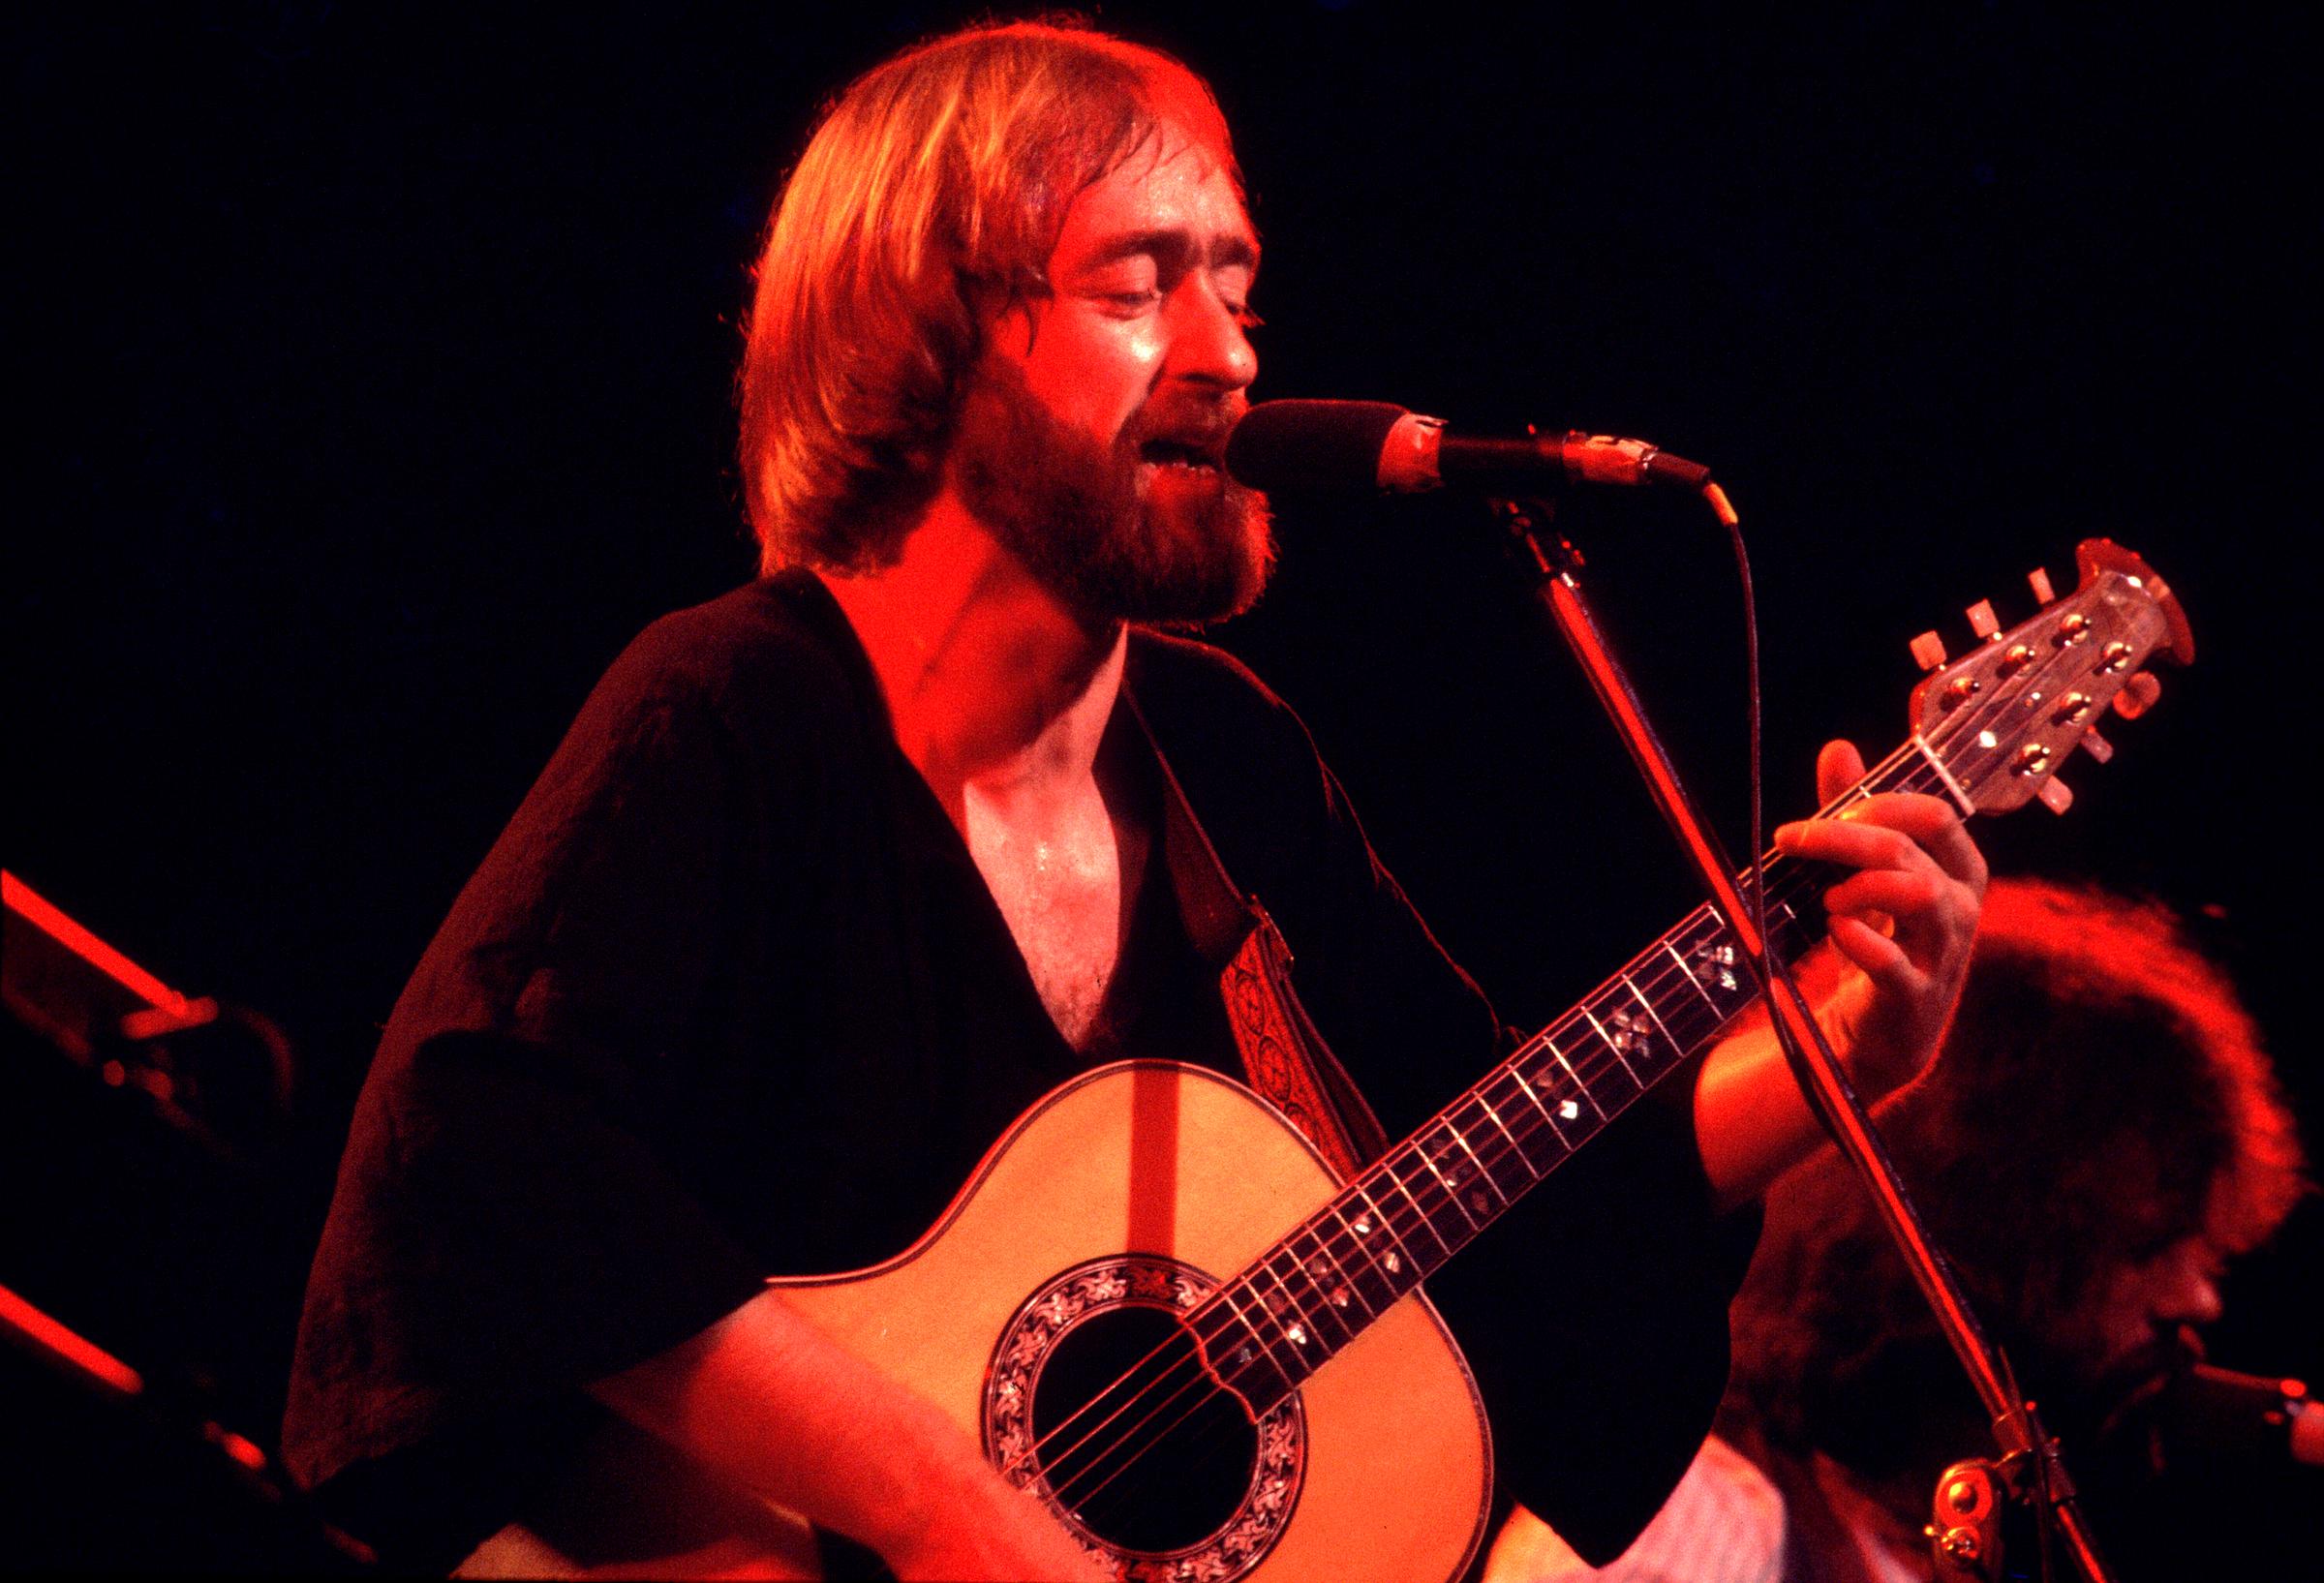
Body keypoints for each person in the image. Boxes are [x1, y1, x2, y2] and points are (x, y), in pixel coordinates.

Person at [281, 20, 1985, 1580]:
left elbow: (1502, 1188)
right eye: (1139, 286)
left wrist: (1841, 1049)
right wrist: (931, 1499)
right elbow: (478, 1149)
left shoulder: (1228, 758)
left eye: (1238, 289)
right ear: (927, 335)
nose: (1229, 356)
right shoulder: (741, 707)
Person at [1490, 877, 2308, 1581]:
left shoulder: (1904, 1539)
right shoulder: (1695, 1527)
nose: (2197, 1298)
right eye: (2151, 1245)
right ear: (2003, 1226)